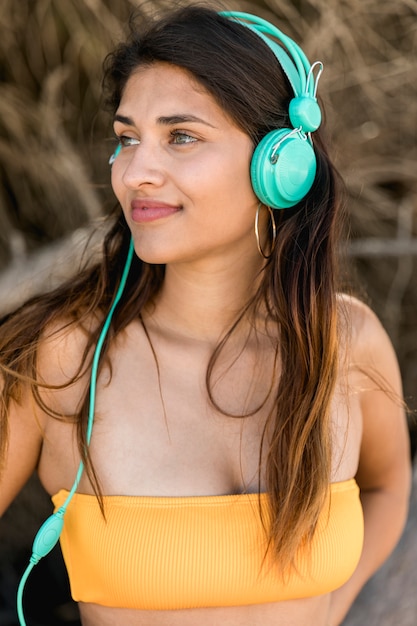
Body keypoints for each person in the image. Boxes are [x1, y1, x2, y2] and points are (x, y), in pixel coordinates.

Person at [0, 5, 412, 626]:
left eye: (181, 136)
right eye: (127, 137)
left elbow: (387, 487)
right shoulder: (62, 356)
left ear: (282, 166)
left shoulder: (346, 341)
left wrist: (331, 608)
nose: (136, 172)